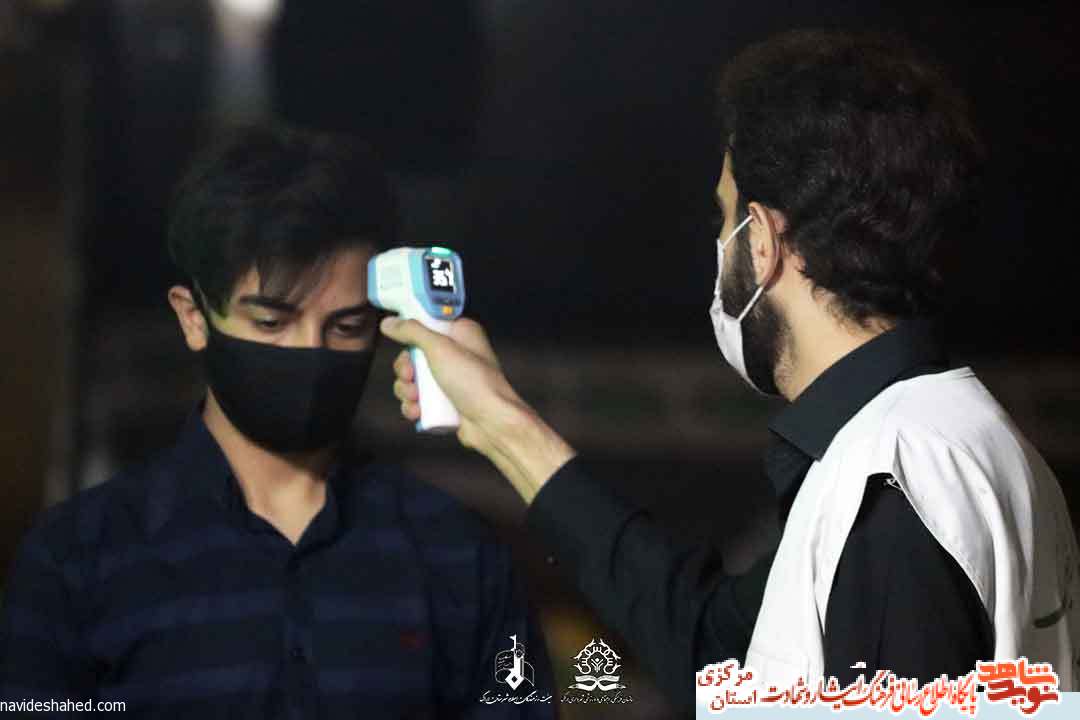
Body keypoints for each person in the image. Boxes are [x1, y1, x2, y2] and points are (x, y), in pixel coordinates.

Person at [378, 30, 1080, 708]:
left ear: (764, 240)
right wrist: (501, 421)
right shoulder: (953, 445)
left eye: (724, 220)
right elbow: (714, 652)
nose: (719, 248)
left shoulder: (890, 481)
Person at [0, 125, 553, 718]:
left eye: (347, 327)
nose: (310, 351)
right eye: (271, 322)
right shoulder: (77, 560)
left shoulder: (461, 557)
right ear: (193, 318)